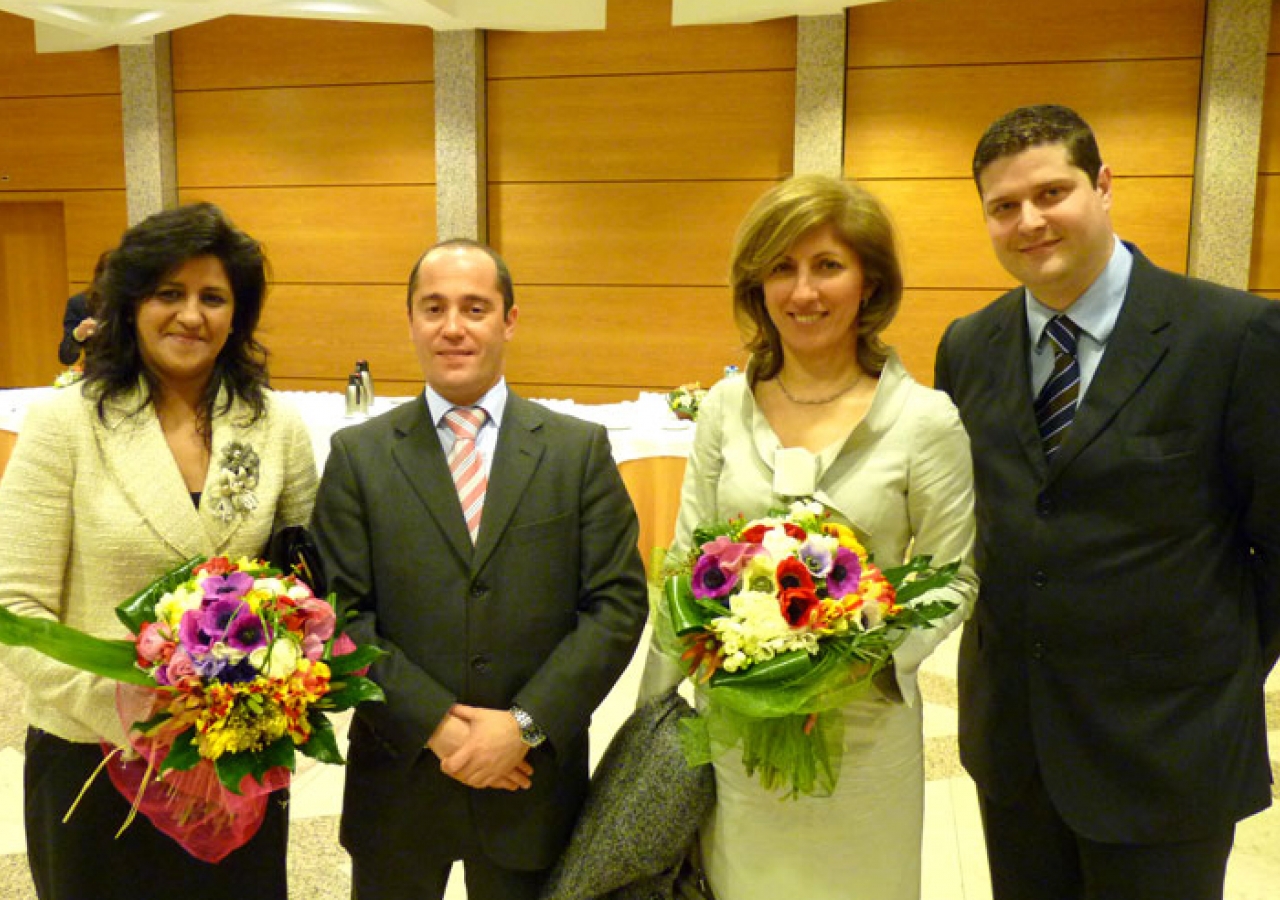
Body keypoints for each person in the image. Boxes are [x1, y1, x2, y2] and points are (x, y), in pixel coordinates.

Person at [934, 104, 1280, 900]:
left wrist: (1211, 670)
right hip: (1014, 744)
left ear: (1104, 185)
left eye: (1052, 193)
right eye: (1003, 206)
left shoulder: (1233, 336)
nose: (1030, 221)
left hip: (1168, 745)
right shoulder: (967, 344)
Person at [638, 174, 978, 900]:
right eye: (782, 268)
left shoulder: (925, 420)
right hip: (737, 723)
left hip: (866, 730)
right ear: (757, 286)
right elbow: (681, 563)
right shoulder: (726, 407)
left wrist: (862, 654)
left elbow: (954, 576)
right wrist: (653, 712)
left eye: (827, 265)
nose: (804, 292)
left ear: (870, 281)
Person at [310, 238, 649, 900]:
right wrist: (436, 723)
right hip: (400, 778)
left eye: (475, 307)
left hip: (532, 782)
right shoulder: (359, 456)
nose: (453, 327)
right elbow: (337, 616)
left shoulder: (576, 451)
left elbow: (616, 605)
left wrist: (521, 726)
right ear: (410, 320)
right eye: (433, 308)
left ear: (509, 320)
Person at [0, 202, 317, 900]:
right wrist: (135, 710)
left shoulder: (274, 425)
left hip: (235, 761)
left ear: (238, 314)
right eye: (168, 293)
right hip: (94, 760)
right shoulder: (64, 424)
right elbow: (14, 609)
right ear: (130, 304)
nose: (190, 315)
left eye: (213, 297)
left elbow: (305, 586)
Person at [57, 253, 108, 365]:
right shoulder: (80, 303)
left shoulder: (138, 303)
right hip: (97, 374)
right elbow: (66, 357)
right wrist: (77, 336)